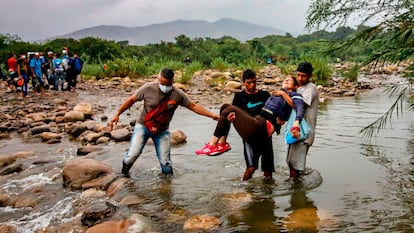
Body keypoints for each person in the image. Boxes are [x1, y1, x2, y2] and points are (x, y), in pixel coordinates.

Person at [110, 68, 220, 177]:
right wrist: (117, 113)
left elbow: (193, 106)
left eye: (168, 84)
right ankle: (124, 175)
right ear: (158, 79)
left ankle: (166, 187)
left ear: (172, 81)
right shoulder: (147, 88)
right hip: (143, 127)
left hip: (162, 130)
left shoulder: (177, 94)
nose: (165, 87)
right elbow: (131, 100)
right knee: (132, 155)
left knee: (165, 162)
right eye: (162, 83)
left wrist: (211, 115)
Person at [196, 75, 305, 181]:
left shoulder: (292, 95)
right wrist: (232, 117)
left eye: (290, 80)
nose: (286, 80)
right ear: (244, 82)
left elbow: (299, 107)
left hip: (262, 127)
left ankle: (213, 144)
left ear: (296, 86)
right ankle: (221, 143)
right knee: (226, 108)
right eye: (285, 79)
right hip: (254, 125)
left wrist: (294, 123)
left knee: (267, 170)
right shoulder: (272, 94)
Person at [196, 69, 274, 180]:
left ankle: (267, 195)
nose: (252, 85)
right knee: (251, 168)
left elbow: (272, 114)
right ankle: (244, 189)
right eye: (249, 82)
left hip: (263, 134)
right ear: (243, 82)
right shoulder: (239, 96)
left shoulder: (264, 95)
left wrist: (274, 127)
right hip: (249, 134)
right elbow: (234, 115)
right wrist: (231, 118)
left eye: (254, 82)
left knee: (268, 172)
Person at [286, 62, 319, 181]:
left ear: (310, 75)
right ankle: (295, 184)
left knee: (295, 164)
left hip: (304, 133)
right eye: (298, 75)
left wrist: (283, 94)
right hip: (296, 130)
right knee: (291, 161)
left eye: (303, 75)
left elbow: (298, 106)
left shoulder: (310, 89)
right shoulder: (299, 88)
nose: (300, 78)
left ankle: (295, 190)